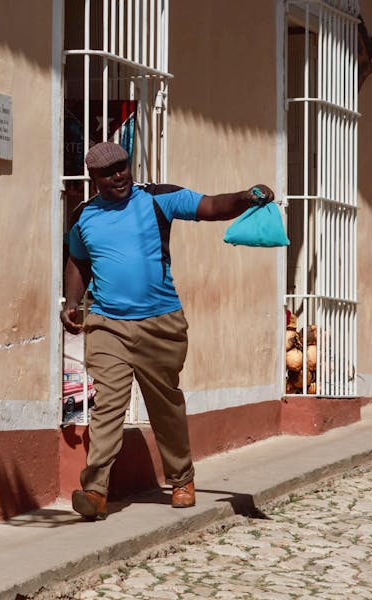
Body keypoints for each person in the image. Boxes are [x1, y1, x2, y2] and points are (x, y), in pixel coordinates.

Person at [61, 141, 275, 521]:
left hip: (161, 322)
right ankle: (95, 490)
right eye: (109, 173)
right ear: (94, 179)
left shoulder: (158, 198)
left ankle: (181, 479)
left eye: (123, 167)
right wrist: (71, 303)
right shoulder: (83, 216)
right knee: (108, 404)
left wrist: (246, 196)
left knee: (165, 405)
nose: (120, 176)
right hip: (107, 323)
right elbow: (78, 260)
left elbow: (210, 206)